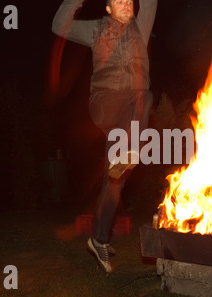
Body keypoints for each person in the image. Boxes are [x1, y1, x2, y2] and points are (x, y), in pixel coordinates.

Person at [52, 0, 157, 272]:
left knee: (115, 181)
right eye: (118, 0)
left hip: (127, 119)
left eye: (129, 0)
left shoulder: (141, 27)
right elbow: (58, 25)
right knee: (143, 95)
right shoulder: (96, 29)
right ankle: (130, 148)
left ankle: (98, 239)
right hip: (106, 105)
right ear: (108, 9)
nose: (126, 4)